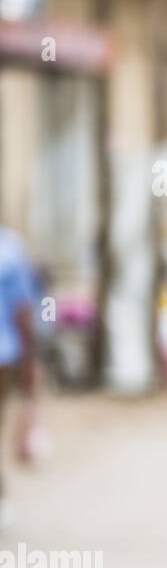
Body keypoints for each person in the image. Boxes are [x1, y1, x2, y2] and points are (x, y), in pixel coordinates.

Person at [0, 226, 43, 530]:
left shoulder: (11, 248)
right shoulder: (10, 248)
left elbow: (22, 310)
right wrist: (30, 360)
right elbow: (23, 311)